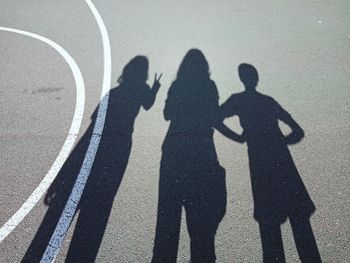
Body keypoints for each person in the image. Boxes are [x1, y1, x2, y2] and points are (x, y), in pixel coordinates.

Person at [220, 63, 321, 262]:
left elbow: (214, 118)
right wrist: (281, 141)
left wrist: (239, 137)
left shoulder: (238, 101)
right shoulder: (267, 102)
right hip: (282, 163)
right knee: (299, 223)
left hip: (261, 166)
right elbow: (297, 131)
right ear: (255, 78)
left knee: (270, 226)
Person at [152, 49, 232, 263]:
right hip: (202, 151)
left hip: (174, 151)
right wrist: (237, 135)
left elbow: (167, 114)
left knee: (168, 218)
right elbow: (214, 116)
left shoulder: (178, 85)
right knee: (200, 224)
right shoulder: (210, 86)